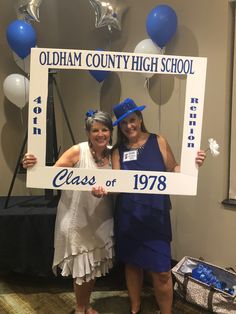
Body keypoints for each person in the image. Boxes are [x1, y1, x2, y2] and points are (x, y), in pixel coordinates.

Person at [111, 98, 206, 314]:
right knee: (132, 264)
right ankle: (135, 307)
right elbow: (115, 185)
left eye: (132, 120)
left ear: (140, 118)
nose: (128, 126)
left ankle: (166, 312)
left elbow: (173, 168)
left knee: (162, 271)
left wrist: (194, 164)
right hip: (128, 215)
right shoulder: (118, 151)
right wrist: (100, 189)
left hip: (156, 215)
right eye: (124, 123)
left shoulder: (159, 141)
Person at [22, 110, 115, 314]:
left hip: (100, 219)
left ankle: (86, 305)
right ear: (88, 132)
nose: (100, 134)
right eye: (95, 130)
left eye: (105, 129)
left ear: (111, 131)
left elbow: (120, 183)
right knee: (82, 268)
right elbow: (50, 176)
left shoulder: (113, 153)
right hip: (78, 219)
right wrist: (31, 164)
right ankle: (80, 309)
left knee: (92, 268)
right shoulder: (77, 151)